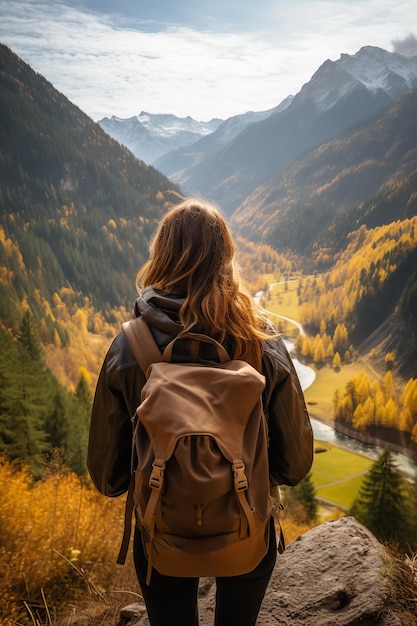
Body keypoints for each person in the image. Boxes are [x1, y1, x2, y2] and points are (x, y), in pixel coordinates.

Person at [88, 198, 314, 626]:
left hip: (161, 532)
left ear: (161, 257)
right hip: (247, 526)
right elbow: (295, 464)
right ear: (226, 259)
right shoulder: (261, 343)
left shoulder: (130, 347)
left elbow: (107, 477)